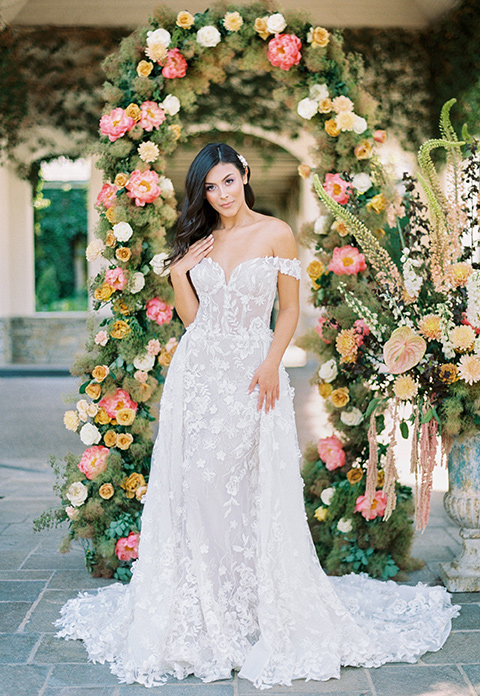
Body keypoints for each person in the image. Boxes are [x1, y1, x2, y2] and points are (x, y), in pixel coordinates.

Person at [55, 142, 459, 689]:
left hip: (253, 374)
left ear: (244, 175)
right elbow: (193, 320)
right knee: (197, 490)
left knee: (249, 490)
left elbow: (288, 308)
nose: (220, 195)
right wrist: (178, 276)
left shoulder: (275, 233)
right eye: (210, 187)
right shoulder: (200, 240)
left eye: (227, 181)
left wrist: (272, 364)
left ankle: (254, 607)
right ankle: (205, 608)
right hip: (198, 379)